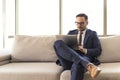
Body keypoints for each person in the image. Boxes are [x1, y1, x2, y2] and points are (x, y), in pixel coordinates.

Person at [54, 13, 102, 80]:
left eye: (81, 23)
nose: (79, 25)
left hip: (84, 56)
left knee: (77, 65)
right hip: (69, 59)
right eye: (77, 23)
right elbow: (65, 50)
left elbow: (98, 51)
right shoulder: (71, 32)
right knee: (57, 43)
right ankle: (87, 65)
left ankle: (83, 62)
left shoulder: (92, 34)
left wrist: (85, 50)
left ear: (87, 23)